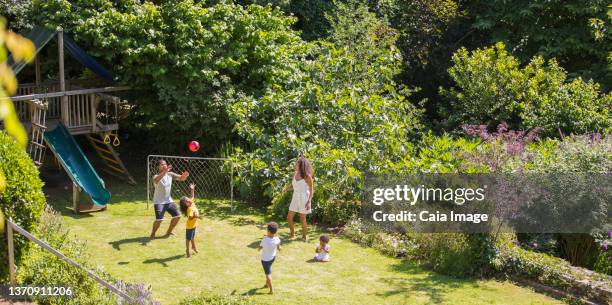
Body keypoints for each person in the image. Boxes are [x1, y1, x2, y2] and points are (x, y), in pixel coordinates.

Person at [150, 159, 189, 238]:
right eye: (162, 164)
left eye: (165, 164)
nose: (164, 165)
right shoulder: (155, 176)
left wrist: (185, 176)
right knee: (159, 220)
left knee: (177, 216)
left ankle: (169, 232)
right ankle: (153, 233)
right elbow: (157, 180)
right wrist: (166, 171)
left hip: (168, 201)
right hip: (159, 202)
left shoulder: (170, 174)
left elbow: (181, 178)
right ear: (158, 167)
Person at [283, 155, 314, 241]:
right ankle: (292, 234)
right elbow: (294, 186)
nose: (295, 165)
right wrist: (286, 189)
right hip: (295, 197)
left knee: (302, 219)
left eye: (296, 163)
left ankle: (304, 236)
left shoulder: (308, 177)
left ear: (301, 165)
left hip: (304, 198)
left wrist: (309, 201)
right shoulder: (295, 174)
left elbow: (312, 191)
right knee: (289, 217)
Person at [259, 222, 281, 294]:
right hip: (273, 258)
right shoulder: (277, 239)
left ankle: (271, 290)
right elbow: (279, 248)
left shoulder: (265, 239)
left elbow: (260, 247)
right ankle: (266, 284)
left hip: (265, 260)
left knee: (268, 274)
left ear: (268, 231)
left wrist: (265, 238)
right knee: (267, 270)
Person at [179, 183, 199, 257]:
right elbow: (190, 217)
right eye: (187, 200)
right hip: (190, 226)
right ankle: (187, 250)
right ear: (186, 204)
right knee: (188, 239)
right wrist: (194, 216)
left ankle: (193, 246)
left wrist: (192, 189)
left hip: (194, 225)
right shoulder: (190, 209)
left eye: (188, 199)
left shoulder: (191, 203)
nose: (189, 199)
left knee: (192, 237)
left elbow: (192, 196)